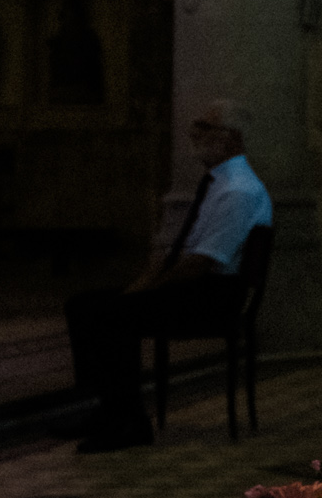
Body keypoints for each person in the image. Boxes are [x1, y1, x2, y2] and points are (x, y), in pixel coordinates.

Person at [65, 99, 272, 452]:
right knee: (82, 305)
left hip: (213, 295)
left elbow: (203, 261)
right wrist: (147, 278)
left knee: (114, 314)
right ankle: (107, 407)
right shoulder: (219, 183)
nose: (195, 133)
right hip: (198, 286)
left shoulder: (238, 189)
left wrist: (150, 287)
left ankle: (130, 422)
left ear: (232, 139)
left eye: (206, 127)